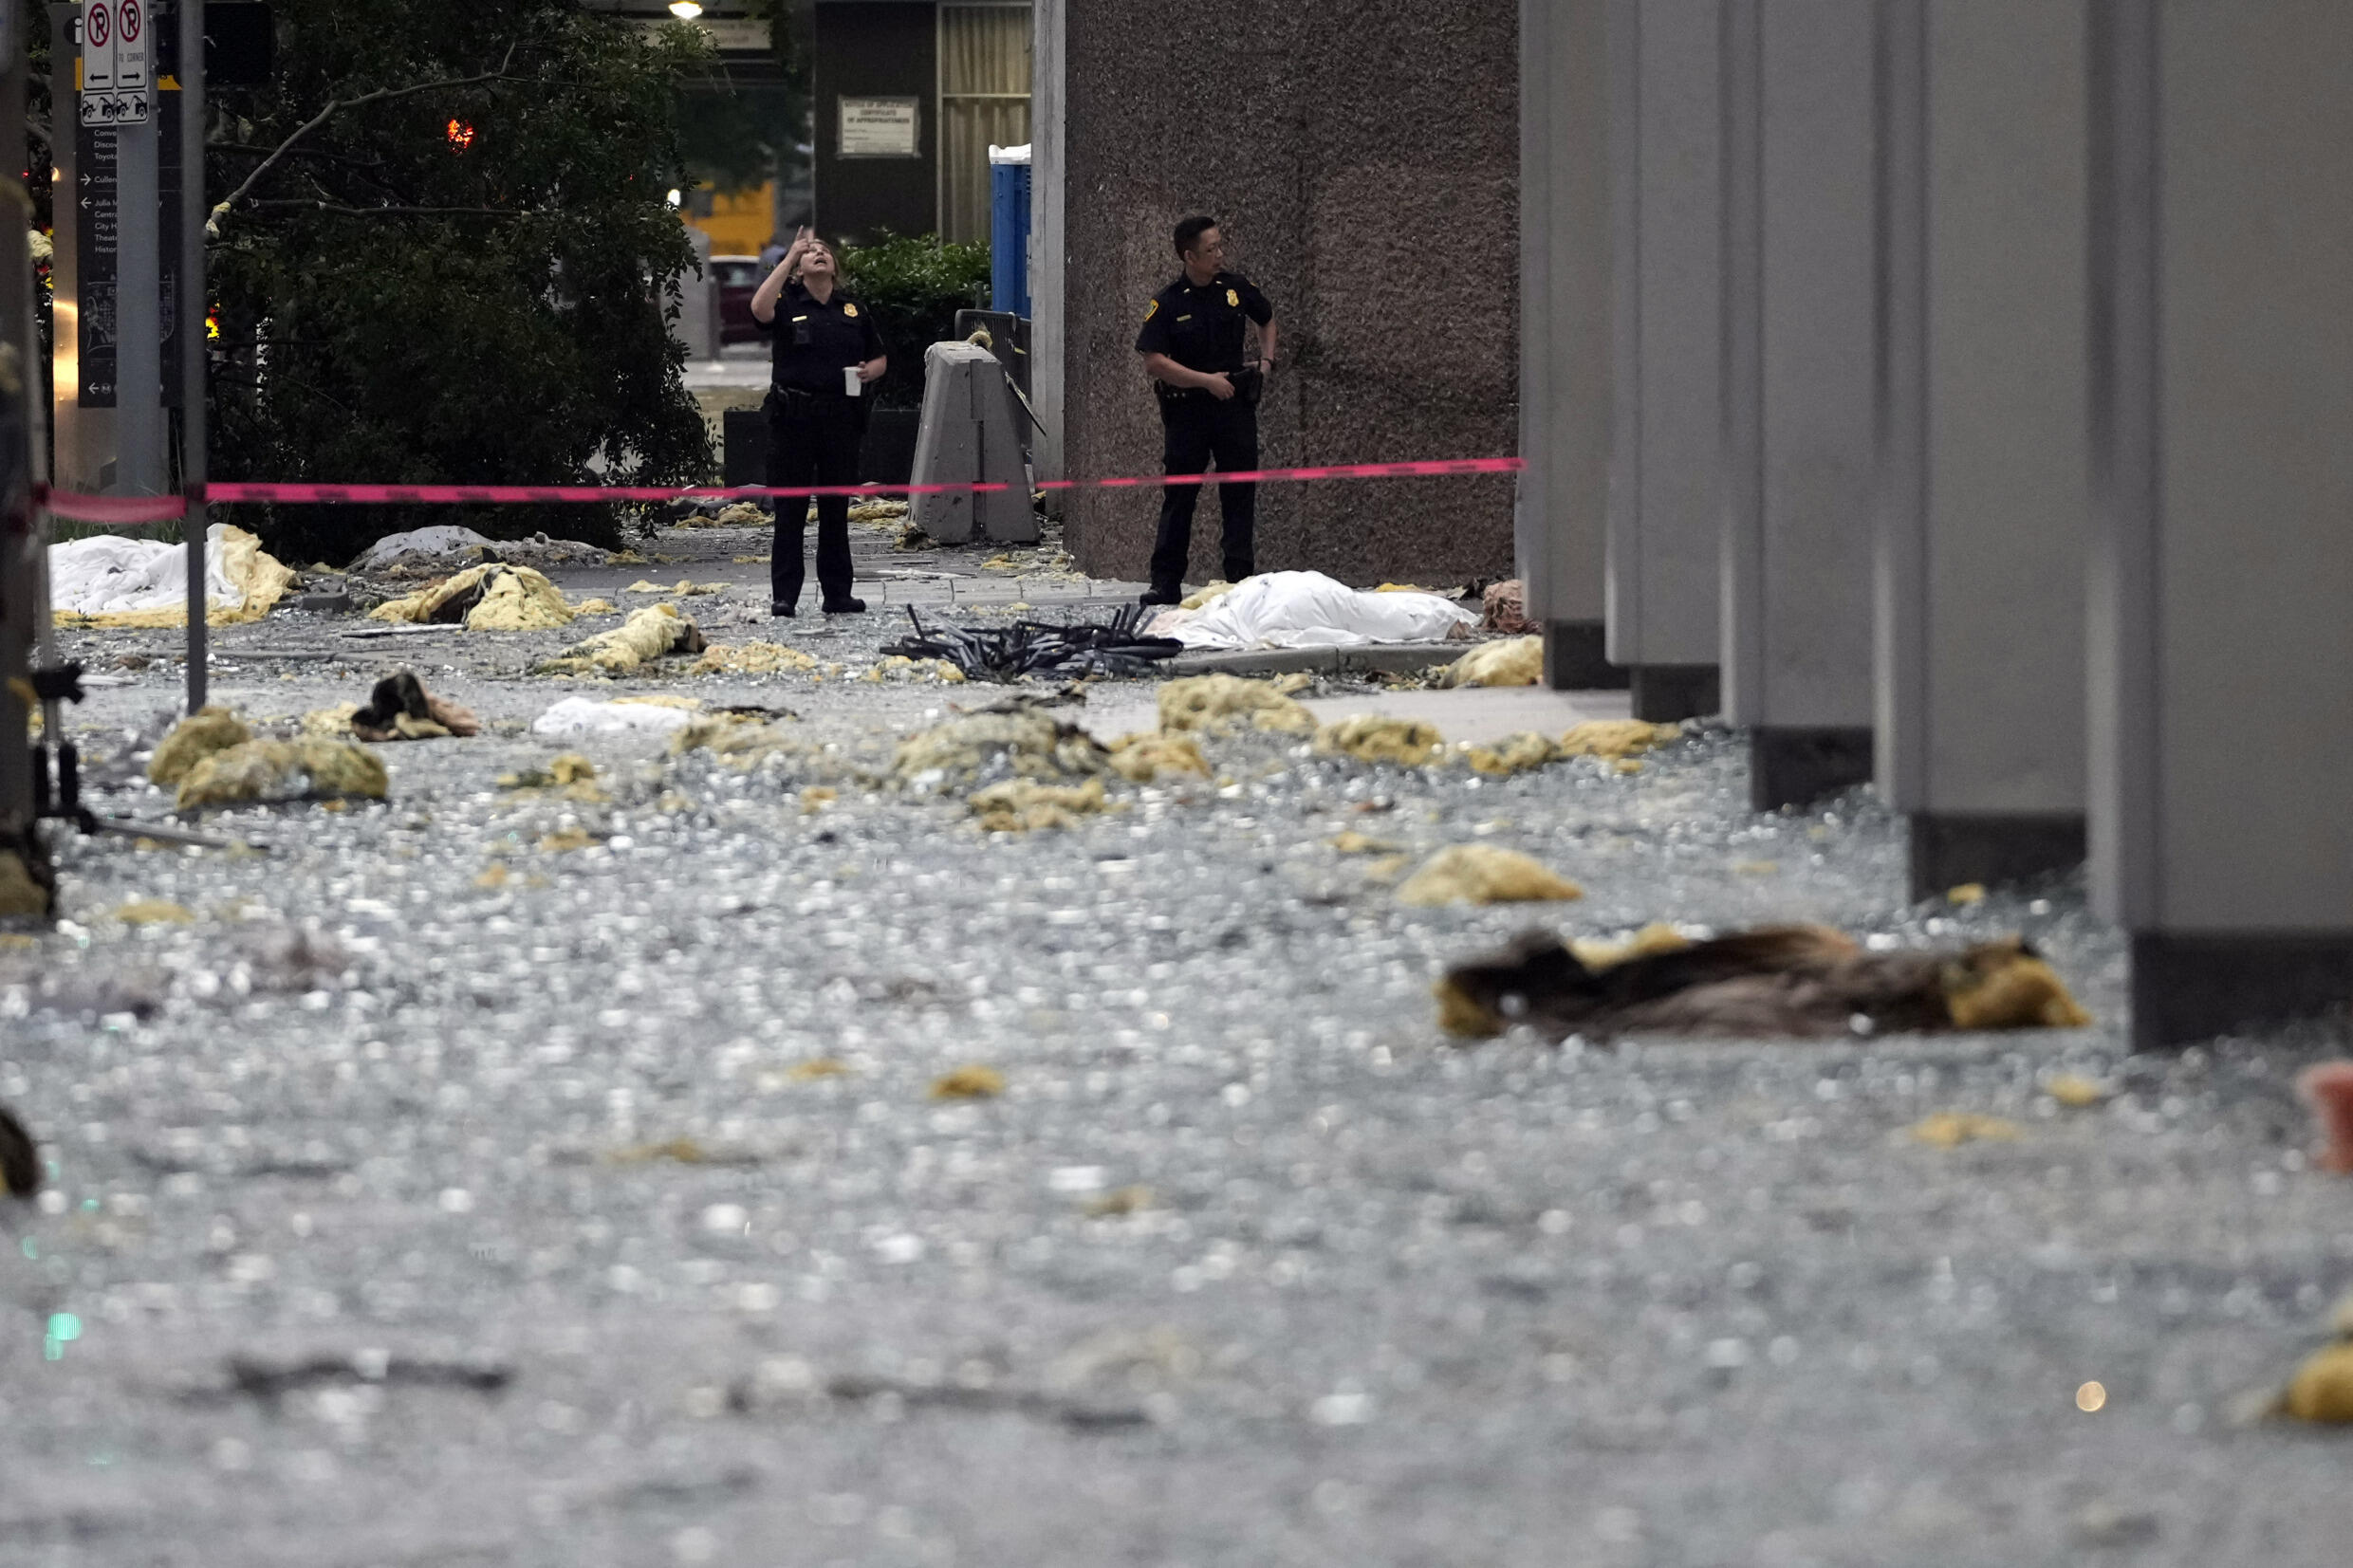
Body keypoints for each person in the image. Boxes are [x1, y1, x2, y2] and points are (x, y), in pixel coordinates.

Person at [1134, 214, 1279, 606]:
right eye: (1210, 249)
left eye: (1219, 246)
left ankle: (1239, 579)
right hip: (1188, 411)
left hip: (1233, 405)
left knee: (1239, 493)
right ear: (1189, 256)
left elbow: (1266, 318)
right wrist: (1204, 381)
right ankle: (1166, 581)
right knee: (1180, 495)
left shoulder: (1234, 288)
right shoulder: (1168, 302)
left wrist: (1266, 362)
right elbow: (1154, 361)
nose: (1219, 255)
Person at [750, 228, 887, 615]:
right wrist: (790, 256)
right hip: (793, 419)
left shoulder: (852, 309)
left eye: (824, 251)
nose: (819, 254)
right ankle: (785, 596)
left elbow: (879, 357)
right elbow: (758, 309)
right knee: (790, 512)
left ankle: (838, 593)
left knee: (835, 510)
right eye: (811, 253)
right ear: (799, 269)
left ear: (834, 267)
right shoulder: (787, 300)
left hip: (839, 420)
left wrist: (869, 371)